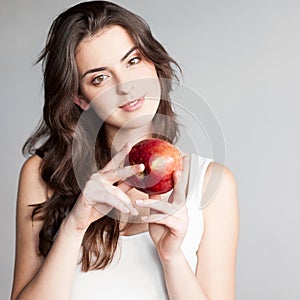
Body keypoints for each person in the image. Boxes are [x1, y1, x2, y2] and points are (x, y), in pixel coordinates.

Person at [11, 1, 239, 299]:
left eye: (132, 61)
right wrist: (74, 226)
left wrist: (172, 258)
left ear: (154, 65)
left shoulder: (211, 183)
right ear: (80, 99)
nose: (126, 86)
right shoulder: (42, 176)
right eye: (100, 78)